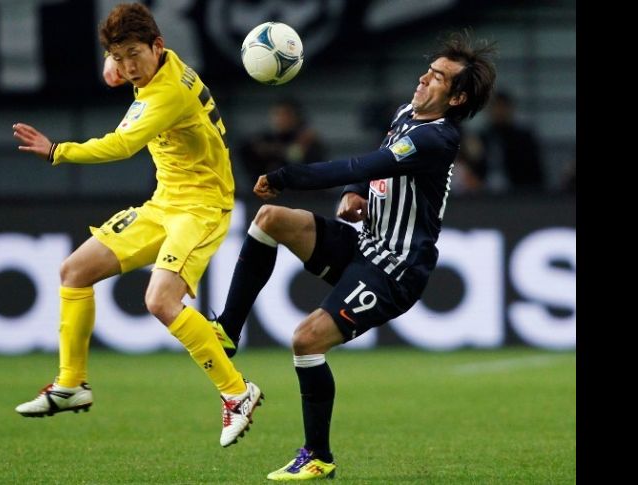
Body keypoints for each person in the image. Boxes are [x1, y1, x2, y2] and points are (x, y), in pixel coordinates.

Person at [207, 31, 497, 479]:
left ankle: (318, 456)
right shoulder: (406, 114)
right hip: (366, 244)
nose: (423, 78)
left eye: (437, 77)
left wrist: (288, 174)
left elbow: (362, 164)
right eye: (428, 69)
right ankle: (228, 329)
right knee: (269, 219)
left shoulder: (438, 139)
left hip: (394, 270)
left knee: (306, 340)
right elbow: (373, 166)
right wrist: (354, 194)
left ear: (456, 98)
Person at [11, 2, 262, 448]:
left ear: (157, 47)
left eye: (133, 56)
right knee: (74, 271)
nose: (128, 68)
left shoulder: (166, 93)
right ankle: (71, 384)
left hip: (201, 208)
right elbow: (127, 56)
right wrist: (116, 62)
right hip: (164, 202)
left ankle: (238, 393)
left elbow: (123, 144)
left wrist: (57, 151)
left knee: (160, 301)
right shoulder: (157, 64)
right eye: (119, 56)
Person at [238, 98, 328, 184]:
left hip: (302, 196)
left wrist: (272, 151)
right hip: (267, 194)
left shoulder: (308, 140)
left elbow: (299, 161)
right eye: (277, 114)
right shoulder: (264, 138)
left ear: (296, 117)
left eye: (286, 114)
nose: (281, 119)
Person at [476, 90, 544, 192]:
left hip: (519, 193)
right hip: (485, 195)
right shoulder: (482, 138)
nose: (499, 112)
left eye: (502, 107)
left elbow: (534, 172)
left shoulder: (523, 139)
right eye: (495, 107)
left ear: (511, 109)